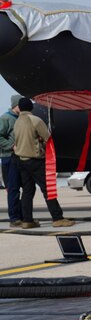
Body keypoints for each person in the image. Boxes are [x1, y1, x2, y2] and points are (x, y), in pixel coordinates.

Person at [13, 97, 74, 229]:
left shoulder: (17, 122)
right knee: (48, 190)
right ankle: (57, 218)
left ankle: (27, 221)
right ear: (31, 107)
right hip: (35, 161)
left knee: (27, 192)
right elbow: (48, 139)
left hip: (21, 161)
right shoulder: (35, 120)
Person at [0, 95, 22, 227]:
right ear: (15, 105)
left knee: (20, 188)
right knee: (13, 188)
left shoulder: (19, 119)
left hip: (18, 157)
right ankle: (14, 218)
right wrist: (11, 145)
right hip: (8, 157)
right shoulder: (5, 118)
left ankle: (22, 216)